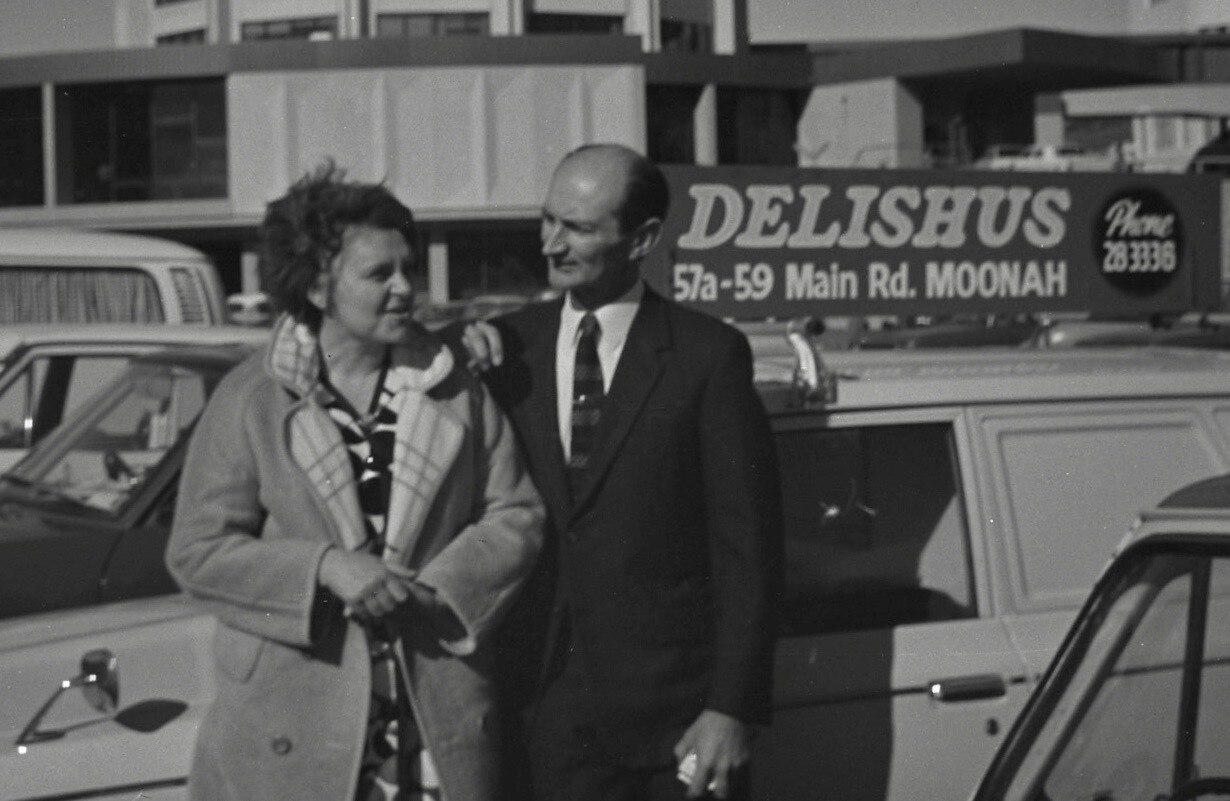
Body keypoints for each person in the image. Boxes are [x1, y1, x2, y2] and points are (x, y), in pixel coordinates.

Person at [165, 162, 544, 801]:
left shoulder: (456, 387)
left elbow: (516, 515)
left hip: (430, 716)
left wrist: (438, 589)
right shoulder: (251, 397)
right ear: (317, 287)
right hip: (293, 722)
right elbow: (197, 552)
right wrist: (325, 569)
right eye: (379, 274)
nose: (406, 288)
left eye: (408, 269)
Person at [478, 143, 783, 801]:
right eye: (548, 219)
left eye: (580, 228)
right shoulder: (504, 345)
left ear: (642, 238)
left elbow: (749, 551)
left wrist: (731, 708)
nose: (551, 243)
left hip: (676, 725)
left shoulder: (707, 356)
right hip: (544, 720)